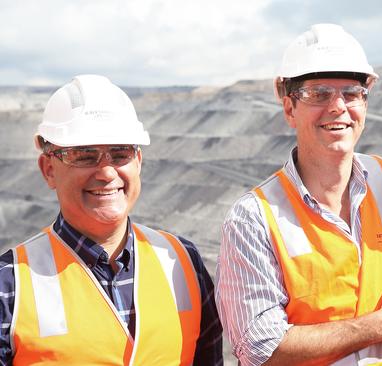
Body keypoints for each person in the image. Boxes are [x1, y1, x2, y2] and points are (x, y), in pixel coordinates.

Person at [217, 24, 382, 366]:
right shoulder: (255, 217)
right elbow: (262, 349)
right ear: (290, 108)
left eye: (350, 93)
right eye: (319, 94)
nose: (338, 107)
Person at [0, 74, 223, 365]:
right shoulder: (9, 284)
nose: (106, 173)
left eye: (120, 154)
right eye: (84, 155)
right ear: (49, 169)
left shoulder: (182, 262)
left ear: (138, 162)